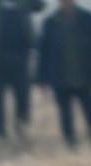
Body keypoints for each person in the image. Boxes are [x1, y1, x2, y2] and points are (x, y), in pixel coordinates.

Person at [0, 0, 45, 142]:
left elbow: (40, 6)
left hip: (21, 56)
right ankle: (0, 133)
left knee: (23, 95)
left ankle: (22, 128)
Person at [36, 0, 91, 148]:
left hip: (84, 77)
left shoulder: (87, 18)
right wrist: (42, 80)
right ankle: (70, 142)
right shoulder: (50, 22)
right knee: (65, 114)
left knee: (89, 110)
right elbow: (44, 52)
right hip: (60, 77)